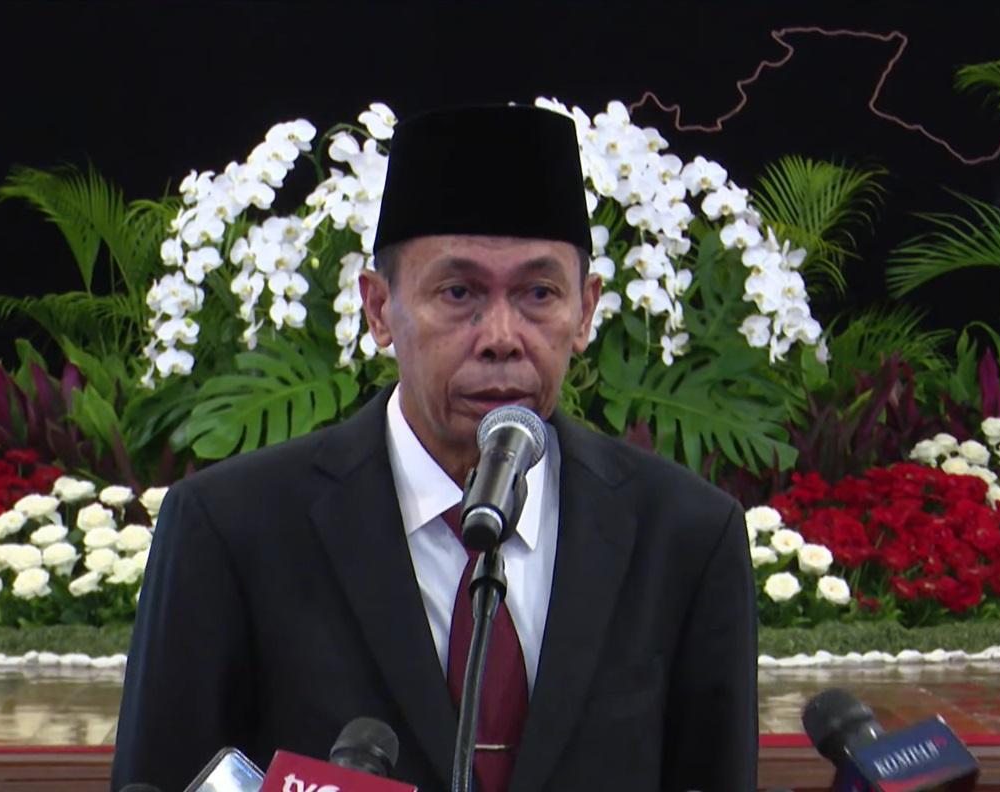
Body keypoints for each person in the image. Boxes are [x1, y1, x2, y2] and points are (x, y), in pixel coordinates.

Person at [111, 105, 757, 792]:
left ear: (586, 310)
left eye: (539, 293)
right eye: (458, 292)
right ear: (378, 308)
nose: (501, 336)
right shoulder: (233, 530)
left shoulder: (684, 537)